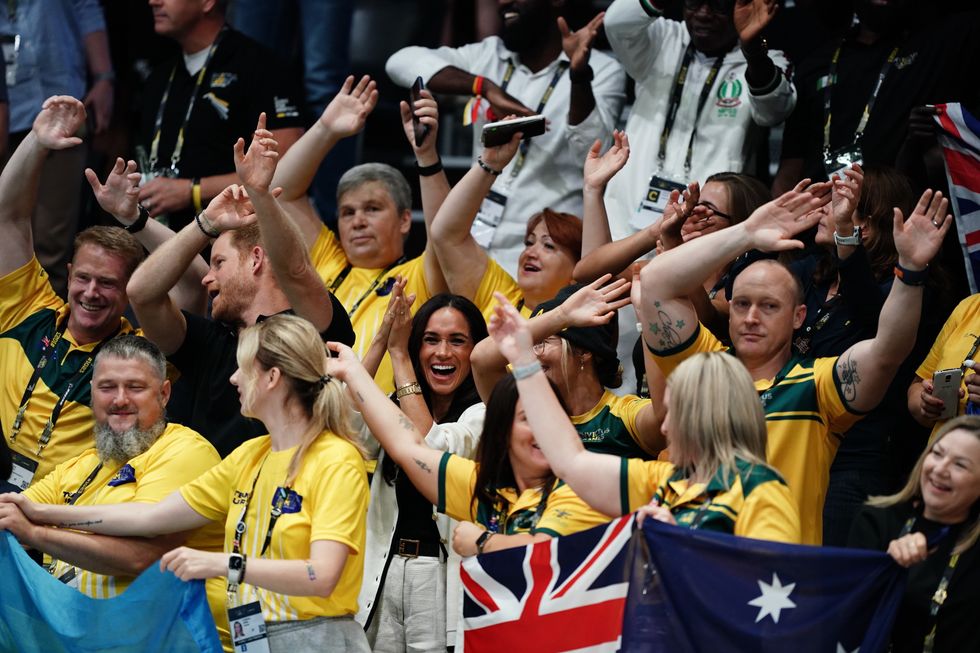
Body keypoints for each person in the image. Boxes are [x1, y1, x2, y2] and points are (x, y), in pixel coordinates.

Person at [1, 314, 371, 652]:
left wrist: (219, 563)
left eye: (242, 368)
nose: (233, 378)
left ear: (272, 378)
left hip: (316, 637)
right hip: (253, 636)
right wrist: (42, 512)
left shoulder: (336, 459)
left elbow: (321, 576)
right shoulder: (251, 455)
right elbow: (148, 518)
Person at [641, 180, 952, 544]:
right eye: (741, 304)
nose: (751, 317)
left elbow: (888, 350)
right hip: (696, 568)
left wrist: (911, 271)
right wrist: (746, 233)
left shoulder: (816, 387)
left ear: (798, 316)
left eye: (769, 306)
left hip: (778, 583)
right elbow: (654, 283)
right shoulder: (703, 369)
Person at [0, 97, 202, 491]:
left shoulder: (139, 356)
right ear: (70, 274)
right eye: (85, 278)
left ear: (130, 292)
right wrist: (36, 143)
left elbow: (194, 283)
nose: (91, 293)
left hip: (68, 510)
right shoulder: (27, 309)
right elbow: (7, 215)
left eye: (108, 284)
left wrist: (135, 219)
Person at [126, 114, 354, 456]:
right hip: (197, 499)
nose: (206, 277)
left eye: (219, 263)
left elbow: (295, 269)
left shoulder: (309, 328)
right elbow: (141, 293)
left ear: (257, 259)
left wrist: (260, 195)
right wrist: (206, 223)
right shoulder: (210, 341)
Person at [488, 298, 801, 542]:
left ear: (702, 418)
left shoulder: (761, 489)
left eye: (673, 415)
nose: (664, 428)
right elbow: (571, 462)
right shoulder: (665, 480)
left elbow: (773, 594)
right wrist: (524, 361)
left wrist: (682, 542)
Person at [0, 334, 228, 644]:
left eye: (135, 387)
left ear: (164, 394)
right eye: (107, 387)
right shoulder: (83, 463)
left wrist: (36, 534)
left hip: (170, 643)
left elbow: (142, 558)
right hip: (87, 637)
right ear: (92, 395)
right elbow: (11, 514)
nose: (119, 399)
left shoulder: (185, 451)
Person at [386, 1, 625, 275]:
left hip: (544, 255)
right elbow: (399, 62)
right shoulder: (489, 55)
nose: (502, 3)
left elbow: (592, 155)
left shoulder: (603, 69)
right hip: (473, 244)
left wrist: (578, 75)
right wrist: (484, 87)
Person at [329, 341, 611, 560]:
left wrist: (483, 542)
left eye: (553, 415)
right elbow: (408, 445)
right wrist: (353, 374)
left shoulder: (581, 487)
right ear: (502, 432)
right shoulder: (482, 490)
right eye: (529, 418)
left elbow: (546, 549)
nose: (543, 428)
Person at [271, 77, 450, 392]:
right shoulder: (327, 261)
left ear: (405, 220)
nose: (358, 221)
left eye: (372, 209)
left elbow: (445, 233)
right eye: (348, 212)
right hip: (309, 410)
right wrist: (327, 128)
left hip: (377, 426)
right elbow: (282, 194)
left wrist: (427, 156)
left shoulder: (419, 275)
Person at [358, 291, 488, 651]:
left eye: (457, 341)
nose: (442, 352)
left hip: (439, 573)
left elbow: (433, 452)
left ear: (476, 351)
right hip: (385, 568)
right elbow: (347, 426)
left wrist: (400, 356)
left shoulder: (486, 411)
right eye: (430, 340)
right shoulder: (393, 404)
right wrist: (383, 340)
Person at [602, 0, 794, 243]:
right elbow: (616, 22)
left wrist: (753, 51)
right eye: (694, 2)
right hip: (624, 219)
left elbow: (774, 111)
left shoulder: (768, 61)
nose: (703, 14)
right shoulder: (663, 38)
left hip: (703, 232)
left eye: (718, 6)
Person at [774, 0, 980, 194]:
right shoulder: (816, 63)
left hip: (893, 214)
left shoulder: (938, 45)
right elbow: (791, 165)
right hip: (819, 216)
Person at [136, 0, 305, 230]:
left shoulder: (261, 66)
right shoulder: (159, 76)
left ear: (207, 3)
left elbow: (286, 167)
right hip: (158, 234)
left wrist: (192, 191)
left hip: (232, 239)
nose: (153, 1)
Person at [471, 278, 663, 459]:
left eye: (542, 342)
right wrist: (560, 316)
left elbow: (664, 418)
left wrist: (650, 319)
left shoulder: (623, 416)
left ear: (584, 351)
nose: (532, 355)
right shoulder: (526, 412)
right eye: (531, 344)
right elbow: (481, 361)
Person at [0, 0, 114, 296]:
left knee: (51, 243)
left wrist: (103, 77)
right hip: (8, 111)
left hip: (62, 108)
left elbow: (85, 7)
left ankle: (48, 337)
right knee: (5, 231)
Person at [848, 415, 980, 653]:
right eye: (937, 454)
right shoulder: (877, 520)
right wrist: (884, 567)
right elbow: (847, 610)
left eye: (960, 464)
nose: (940, 469)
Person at [428, 120, 583, 320]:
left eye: (548, 246)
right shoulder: (503, 297)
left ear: (576, 274)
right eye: (529, 242)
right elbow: (445, 233)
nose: (531, 252)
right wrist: (490, 164)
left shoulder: (580, 326)